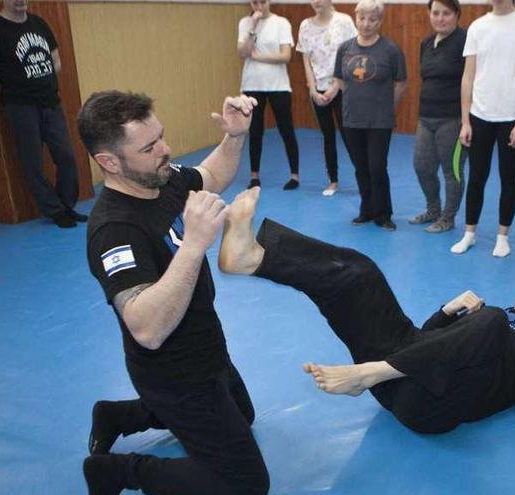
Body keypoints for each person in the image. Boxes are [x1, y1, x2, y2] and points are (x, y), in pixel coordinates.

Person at [218, 187, 515, 434]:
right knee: (362, 273)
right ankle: (255, 259)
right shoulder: (490, 314)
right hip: (398, 375)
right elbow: (424, 343)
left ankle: (367, 373)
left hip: (430, 403)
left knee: (494, 319)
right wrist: (446, 313)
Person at [78, 91, 269, 495]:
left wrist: (234, 137)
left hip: (209, 348)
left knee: (245, 416)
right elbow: (147, 329)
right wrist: (195, 244)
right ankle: (119, 471)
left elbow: (211, 175)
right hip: (174, 375)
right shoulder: (115, 230)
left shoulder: (159, 177)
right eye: (149, 147)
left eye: (161, 137)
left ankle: (121, 415)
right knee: (247, 484)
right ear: (109, 163)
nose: (165, 150)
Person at [0, 0, 85, 228]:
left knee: (66, 157)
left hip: (50, 102)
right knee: (33, 163)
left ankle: (66, 205)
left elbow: (56, 59)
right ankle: (55, 211)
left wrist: (44, 81)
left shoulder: (39, 24)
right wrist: (11, 90)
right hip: (21, 107)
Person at [451, 0, 515, 255]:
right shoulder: (478, 27)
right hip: (480, 114)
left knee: (509, 176)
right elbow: (468, 76)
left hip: (513, 116)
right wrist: (465, 121)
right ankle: (470, 232)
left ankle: (503, 236)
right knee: (477, 176)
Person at [325, 0, 407, 231]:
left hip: (380, 120)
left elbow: (401, 83)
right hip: (351, 119)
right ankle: (367, 209)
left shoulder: (390, 50)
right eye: (362, 18)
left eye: (372, 19)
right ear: (356, 19)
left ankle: (383, 213)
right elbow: (339, 79)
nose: (366, 24)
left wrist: (388, 107)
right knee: (360, 166)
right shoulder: (345, 48)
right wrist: (340, 96)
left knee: (377, 166)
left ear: (380, 21)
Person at [409, 0, 467, 234]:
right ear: (429, 14)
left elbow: (470, 80)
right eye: (436, 13)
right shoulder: (426, 43)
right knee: (422, 167)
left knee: (451, 171)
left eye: (446, 13)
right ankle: (433, 209)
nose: (440, 18)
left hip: (453, 119)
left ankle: (448, 217)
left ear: (457, 15)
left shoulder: (465, 41)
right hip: (426, 117)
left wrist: (466, 121)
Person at [238, 0, 301, 191]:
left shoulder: (281, 23)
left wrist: (257, 56)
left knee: (286, 129)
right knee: (255, 131)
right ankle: (254, 176)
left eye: (263, 2)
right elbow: (242, 52)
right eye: (255, 2)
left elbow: (285, 56)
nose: (259, 6)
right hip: (252, 84)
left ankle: (294, 176)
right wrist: (253, 27)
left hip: (278, 85)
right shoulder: (244, 23)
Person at [297, 0, 357, 197]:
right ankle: (333, 180)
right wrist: (312, 89)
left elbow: (352, 56)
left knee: (349, 134)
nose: (316, 2)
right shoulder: (305, 26)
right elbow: (306, 61)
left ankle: (364, 175)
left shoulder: (344, 21)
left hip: (341, 89)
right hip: (318, 91)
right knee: (327, 136)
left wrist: (336, 86)